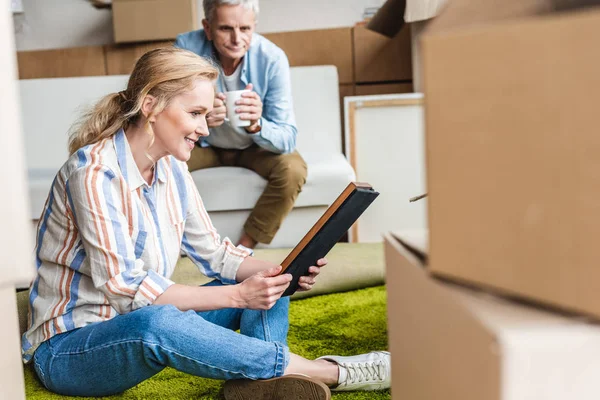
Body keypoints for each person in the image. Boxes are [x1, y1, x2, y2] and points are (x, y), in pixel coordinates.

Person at [21, 47, 390, 399]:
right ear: (150, 106)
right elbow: (125, 290)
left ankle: (255, 388)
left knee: (268, 283)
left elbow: (215, 254)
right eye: (195, 113)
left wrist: (281, 271)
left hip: (140, 325)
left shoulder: (172, 166)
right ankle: (328, 372)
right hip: (70, 350)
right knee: (160, 321)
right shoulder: (93, 174)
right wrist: (237, 296)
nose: (205, 129)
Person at [175, 0, 306, 252]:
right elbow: (165, 114)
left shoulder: (272, 58)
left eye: (245, 29)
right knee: (158, 163)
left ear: (254, 26)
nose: (237, 39)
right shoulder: (186, 49)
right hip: (202, 142)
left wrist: (257, 124)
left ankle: (241, 250)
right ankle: (178, 244)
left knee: (293, 170)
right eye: (226, 28)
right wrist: (198, 116)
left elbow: (287, 138)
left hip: (252, 147)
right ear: (208, 27)